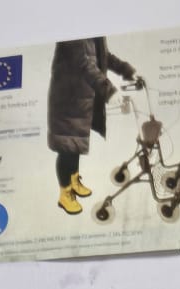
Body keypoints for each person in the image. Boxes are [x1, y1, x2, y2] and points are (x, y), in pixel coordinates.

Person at [48, 38, 138, 217]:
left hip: (81, 98)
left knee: (75, 144)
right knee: (67, 148)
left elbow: (104, 56)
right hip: (68, 97)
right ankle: (65, 193)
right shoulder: (71, 34)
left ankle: (73, 181)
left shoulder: (92, 32)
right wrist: (109, 91)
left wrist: (127, 70)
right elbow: (83, 63)